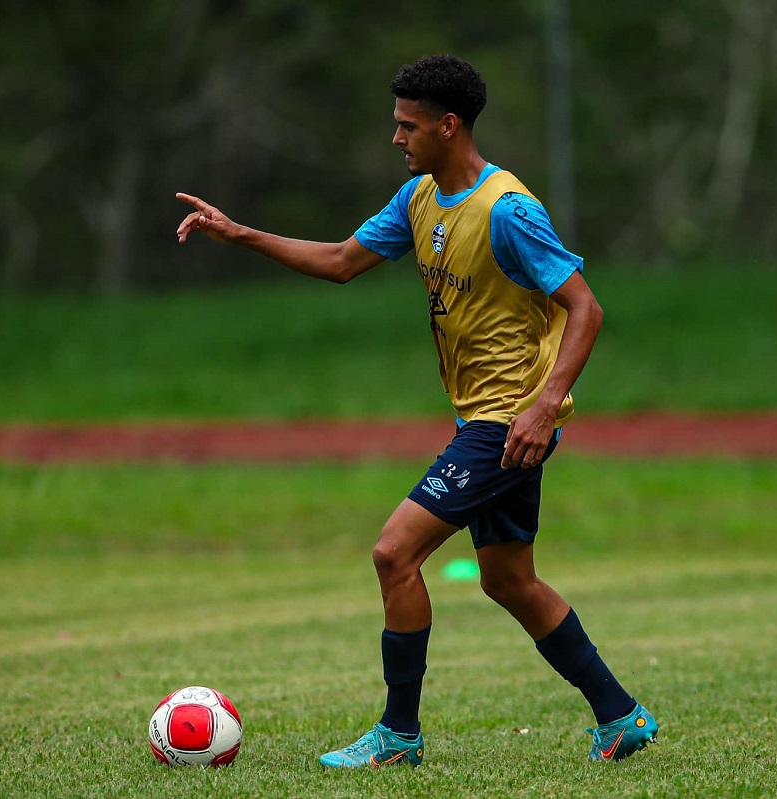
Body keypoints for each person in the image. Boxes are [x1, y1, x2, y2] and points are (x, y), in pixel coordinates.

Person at [174, 54, 657, 767]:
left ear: (448, 125)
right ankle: (620, 716)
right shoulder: (419, 199)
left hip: (508, 421)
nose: (397, 138)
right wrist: (239, 233)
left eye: (408, 126)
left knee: (393, 553)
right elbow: (341, 261)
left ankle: (398, 736)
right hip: (485, 419)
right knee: (507, 580)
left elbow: (585, 308)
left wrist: (545, 405)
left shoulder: (508, 211)